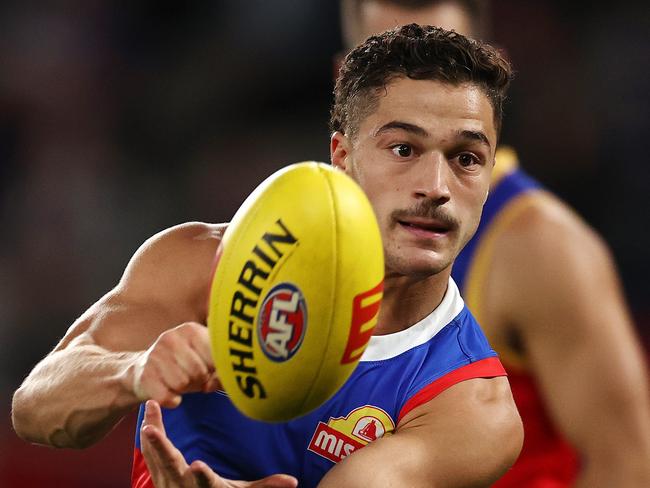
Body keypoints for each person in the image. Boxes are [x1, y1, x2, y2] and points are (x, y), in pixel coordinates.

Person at [12, 24, 523, 487]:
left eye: (466, 158)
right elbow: (36, 408)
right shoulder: (203, 264)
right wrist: (135, 370)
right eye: (404, 150)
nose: (435, 187)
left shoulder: (470, 405)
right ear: (342, 158)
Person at [339, 1, 650, 487]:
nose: (417, 86)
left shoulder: (540, 246)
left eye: (443, 57)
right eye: (384, 61)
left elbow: (629, 464)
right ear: (345, 79)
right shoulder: (319, 225)